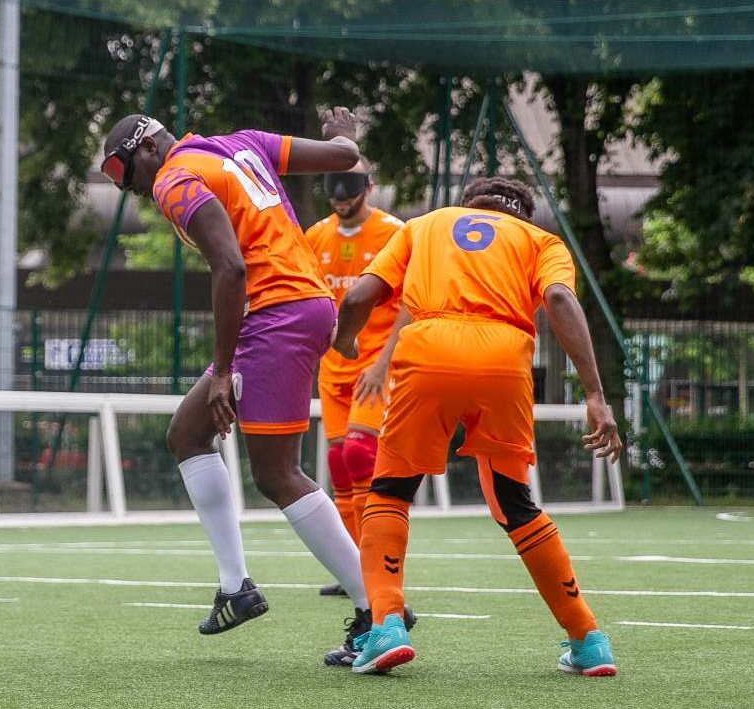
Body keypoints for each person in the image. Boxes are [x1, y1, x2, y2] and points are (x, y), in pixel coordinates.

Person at [98, 107, 372, 657]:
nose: (134, 191)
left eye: (128, 176)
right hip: (300, 305)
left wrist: (223, 371)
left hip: (275, 314)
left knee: (277, 474)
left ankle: (377, 608)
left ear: (148, 148)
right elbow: (344, 158)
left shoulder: (175, 179)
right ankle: (235, 588)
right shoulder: (244, 142)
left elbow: (231, 267)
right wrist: (344, 136)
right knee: (188, 434)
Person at [333, 176, 623, 676]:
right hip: (504, 362)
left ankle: (386, 626)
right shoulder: (541, 241)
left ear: (469, 205)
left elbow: (359, 296)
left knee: (389, 491)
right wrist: (595, 396)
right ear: (521, 215)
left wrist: (344, 339)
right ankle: (587, 638)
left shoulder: (424, 225)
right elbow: (559, 301)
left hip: (428, 353)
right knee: (514, 502)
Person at [305, 157, 408, 598]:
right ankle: (353, 570)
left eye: (350, 188)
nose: (340, 198)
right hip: (333, 368)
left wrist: (383, 362)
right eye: (333, 188)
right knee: (338, 464)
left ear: (369, 185)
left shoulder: (395, 233)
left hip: (376, 367)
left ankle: (374, 566)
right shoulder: (315, 235)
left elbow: (411, 301)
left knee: (360, 454)